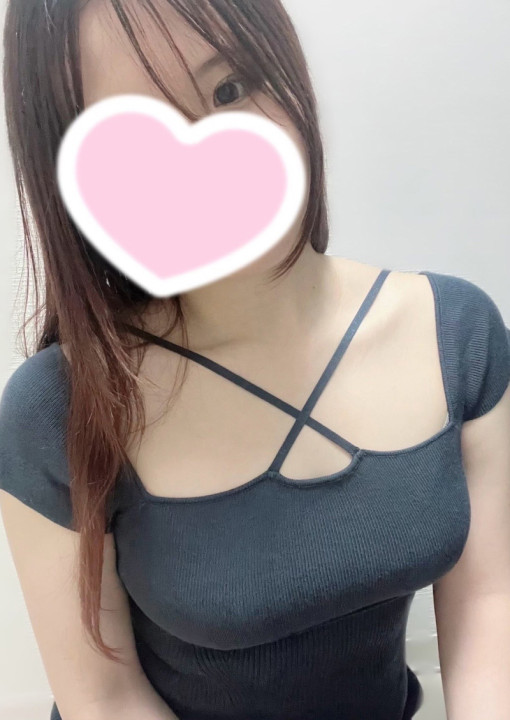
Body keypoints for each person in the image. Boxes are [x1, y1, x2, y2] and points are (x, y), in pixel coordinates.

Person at [1, 1, 509, 719]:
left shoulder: (457, 334)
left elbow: (489, 602)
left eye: (230, 89)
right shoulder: (57, 408)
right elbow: (104, 698)